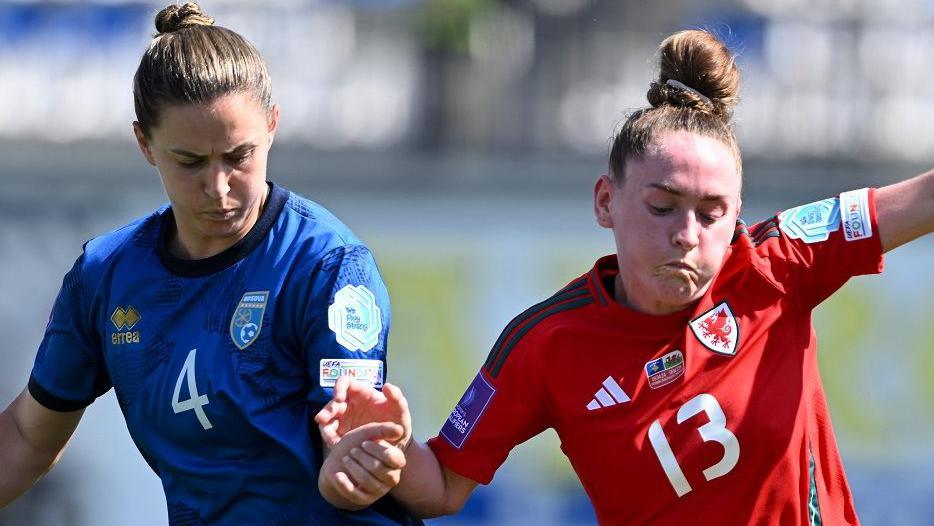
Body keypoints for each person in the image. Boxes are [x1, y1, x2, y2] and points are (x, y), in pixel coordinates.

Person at [315, 29, 934, 524]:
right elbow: (444, 485)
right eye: (661, 207)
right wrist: (382, 451)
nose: (687, 233)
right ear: (605, 202)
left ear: (736, 216)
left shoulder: (778, 262)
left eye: (712, 213)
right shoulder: (545, 342)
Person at [0, 3, 420, 525]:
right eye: (191, 161)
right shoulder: (107, 276)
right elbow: (27, 436)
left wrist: (355, 471)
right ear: (145, 144)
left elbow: (349, 442)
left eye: (238, 156)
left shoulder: (328, 267)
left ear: (272, 125)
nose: (218, 188)